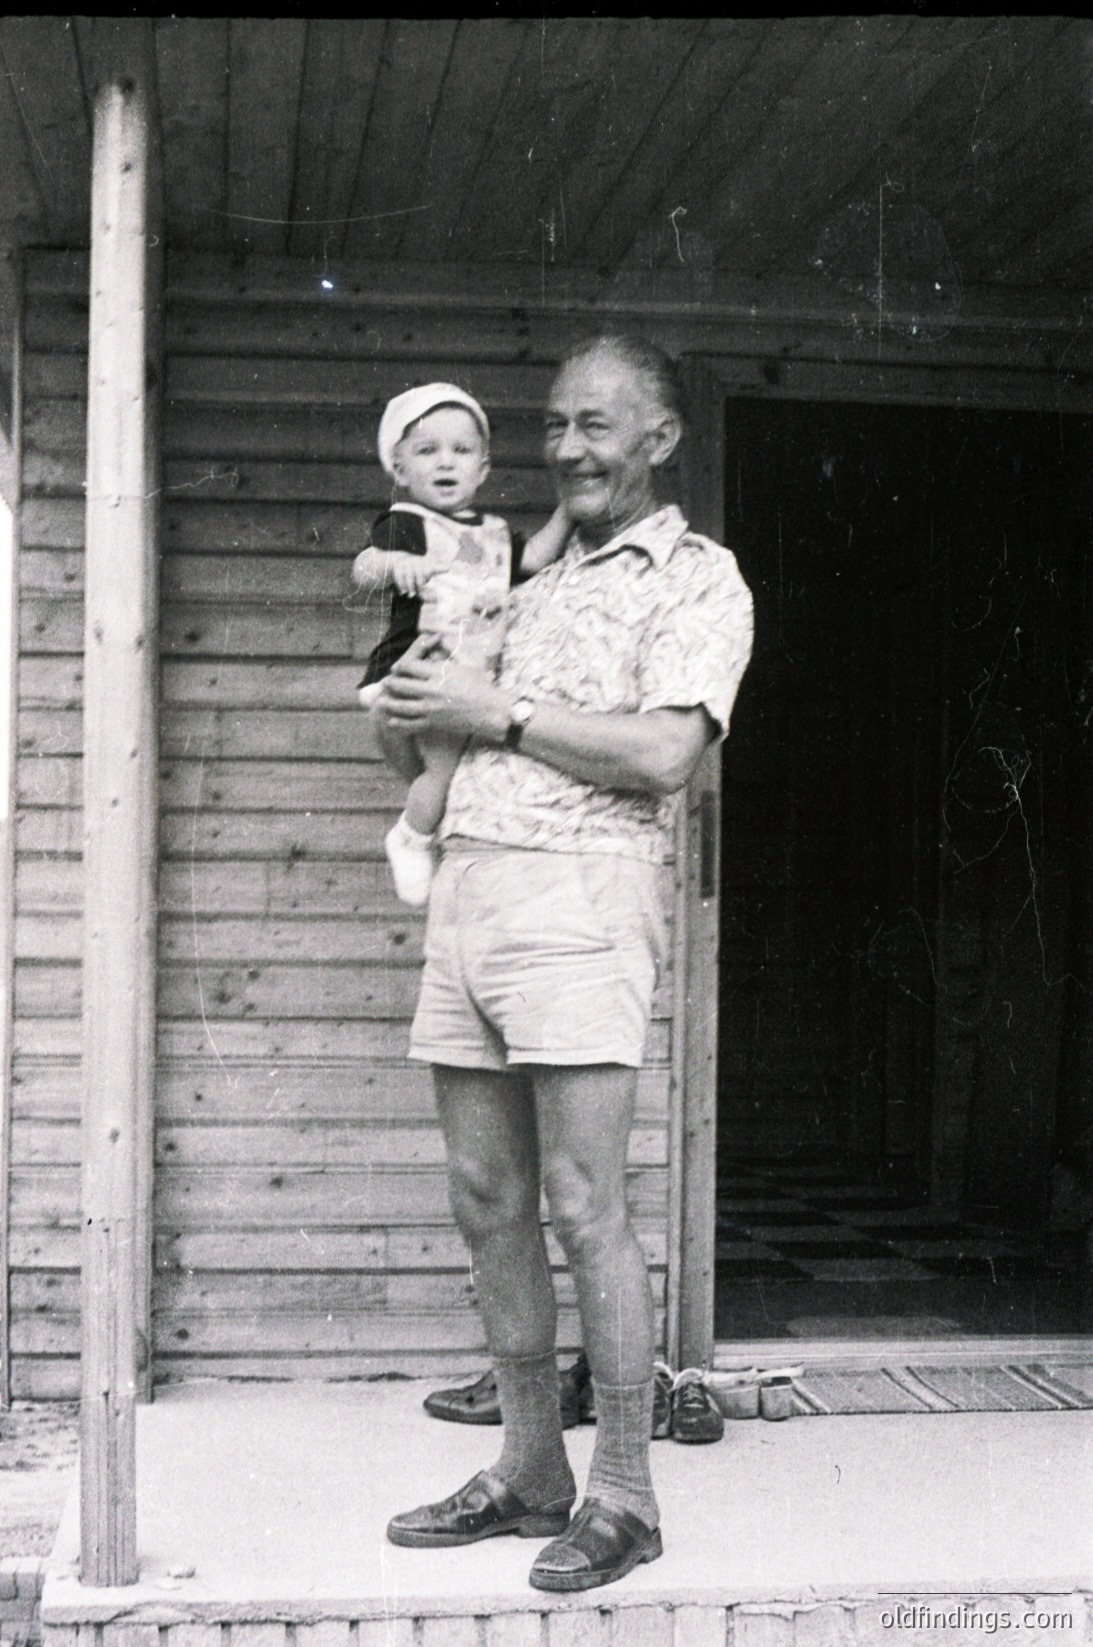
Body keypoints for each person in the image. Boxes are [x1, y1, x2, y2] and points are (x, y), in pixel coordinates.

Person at [374, 336, 754, 1591]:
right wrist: (412, 707)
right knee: (486, 1197)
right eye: (552, 426)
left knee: (587, 1205)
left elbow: (663, 756)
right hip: (469, 893)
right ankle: (532, 1470)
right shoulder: (513, 575)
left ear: (660, 437)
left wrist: (496, 714)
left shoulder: (696, 578)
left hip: (584, 900)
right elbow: (426, 751)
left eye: (596, 425)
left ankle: (626, 1494)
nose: (569, 449)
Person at [352, 383, 570, 905]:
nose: (446, 462)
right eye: (427, 451)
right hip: (419, 665)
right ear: (400, 470)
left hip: (467, 674)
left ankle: (431, 827)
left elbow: (534, 559)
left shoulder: (495, 532)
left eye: (462, 450)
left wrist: (568, 511)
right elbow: (362, 568)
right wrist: (393, 563)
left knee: (453, 770)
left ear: (483, 468)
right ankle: (411, 835)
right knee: (445, 769)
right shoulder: (409, 523)